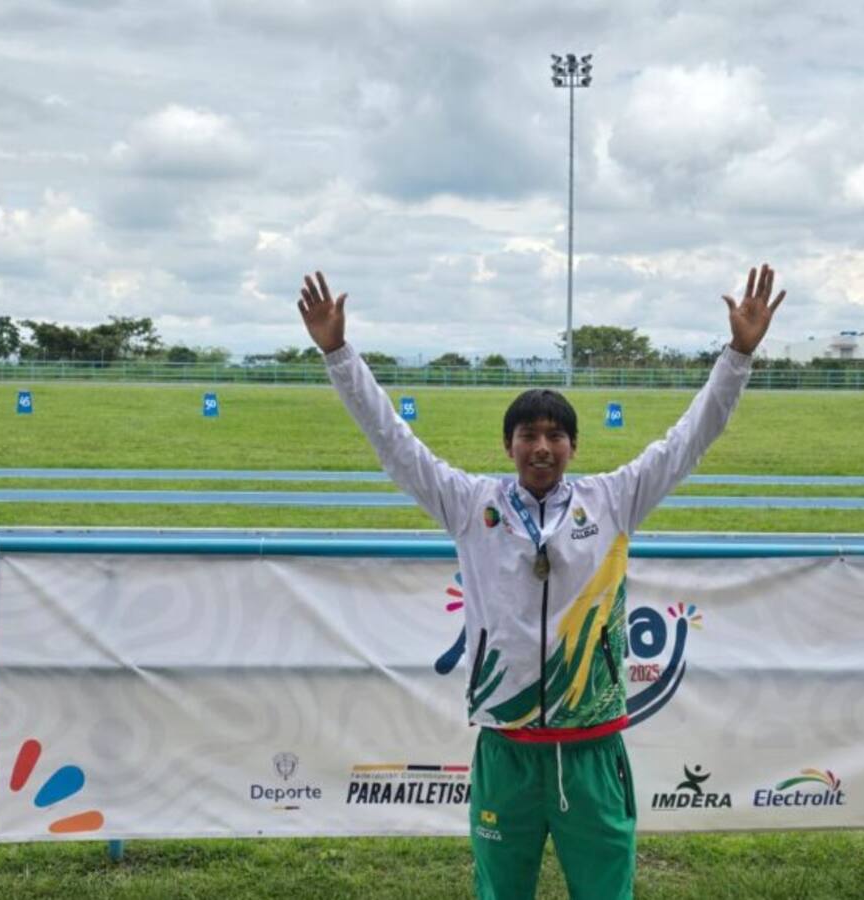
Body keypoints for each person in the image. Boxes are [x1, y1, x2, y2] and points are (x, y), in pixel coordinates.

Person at [297, 265, 785, 900]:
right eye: (529, 434)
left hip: (592, 750)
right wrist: (337, 353)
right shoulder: (469, 504)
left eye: (556, 434)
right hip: (508, 751)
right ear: (509, 446)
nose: (542, 446)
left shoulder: (614, 500)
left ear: (574, 446)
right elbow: (395, 443)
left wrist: (739, 354)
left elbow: (690, 437)